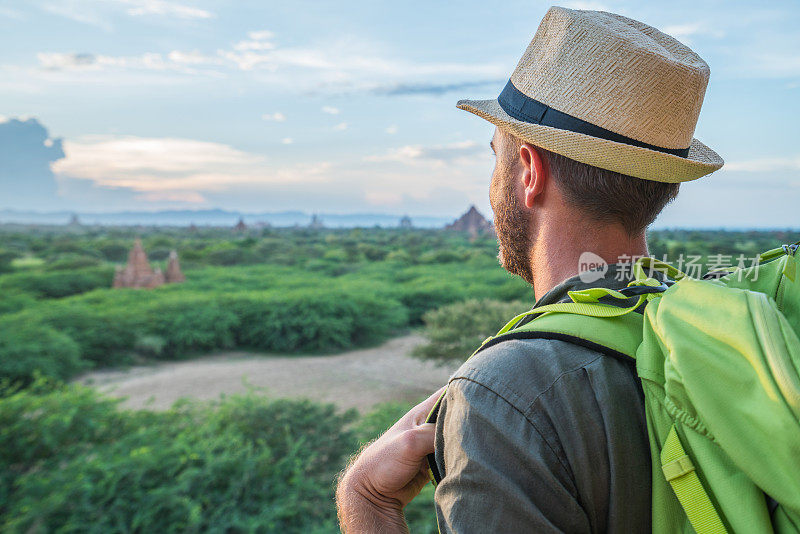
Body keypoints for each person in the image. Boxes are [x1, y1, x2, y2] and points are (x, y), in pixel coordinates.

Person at [336, 6, 723, 532]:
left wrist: (365, 501)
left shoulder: (510, 393)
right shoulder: (722, 326)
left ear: (529, 170)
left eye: (496, 156)